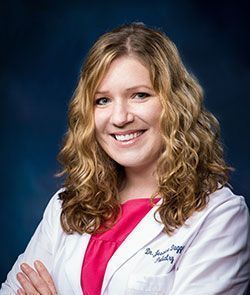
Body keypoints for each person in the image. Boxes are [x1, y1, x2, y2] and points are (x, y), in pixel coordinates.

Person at [1, 22, 249, 295]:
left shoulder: (220, 216)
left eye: (139, 95)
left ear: (176, 105)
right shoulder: (65, 207)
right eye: (102, 100)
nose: (120, 118)